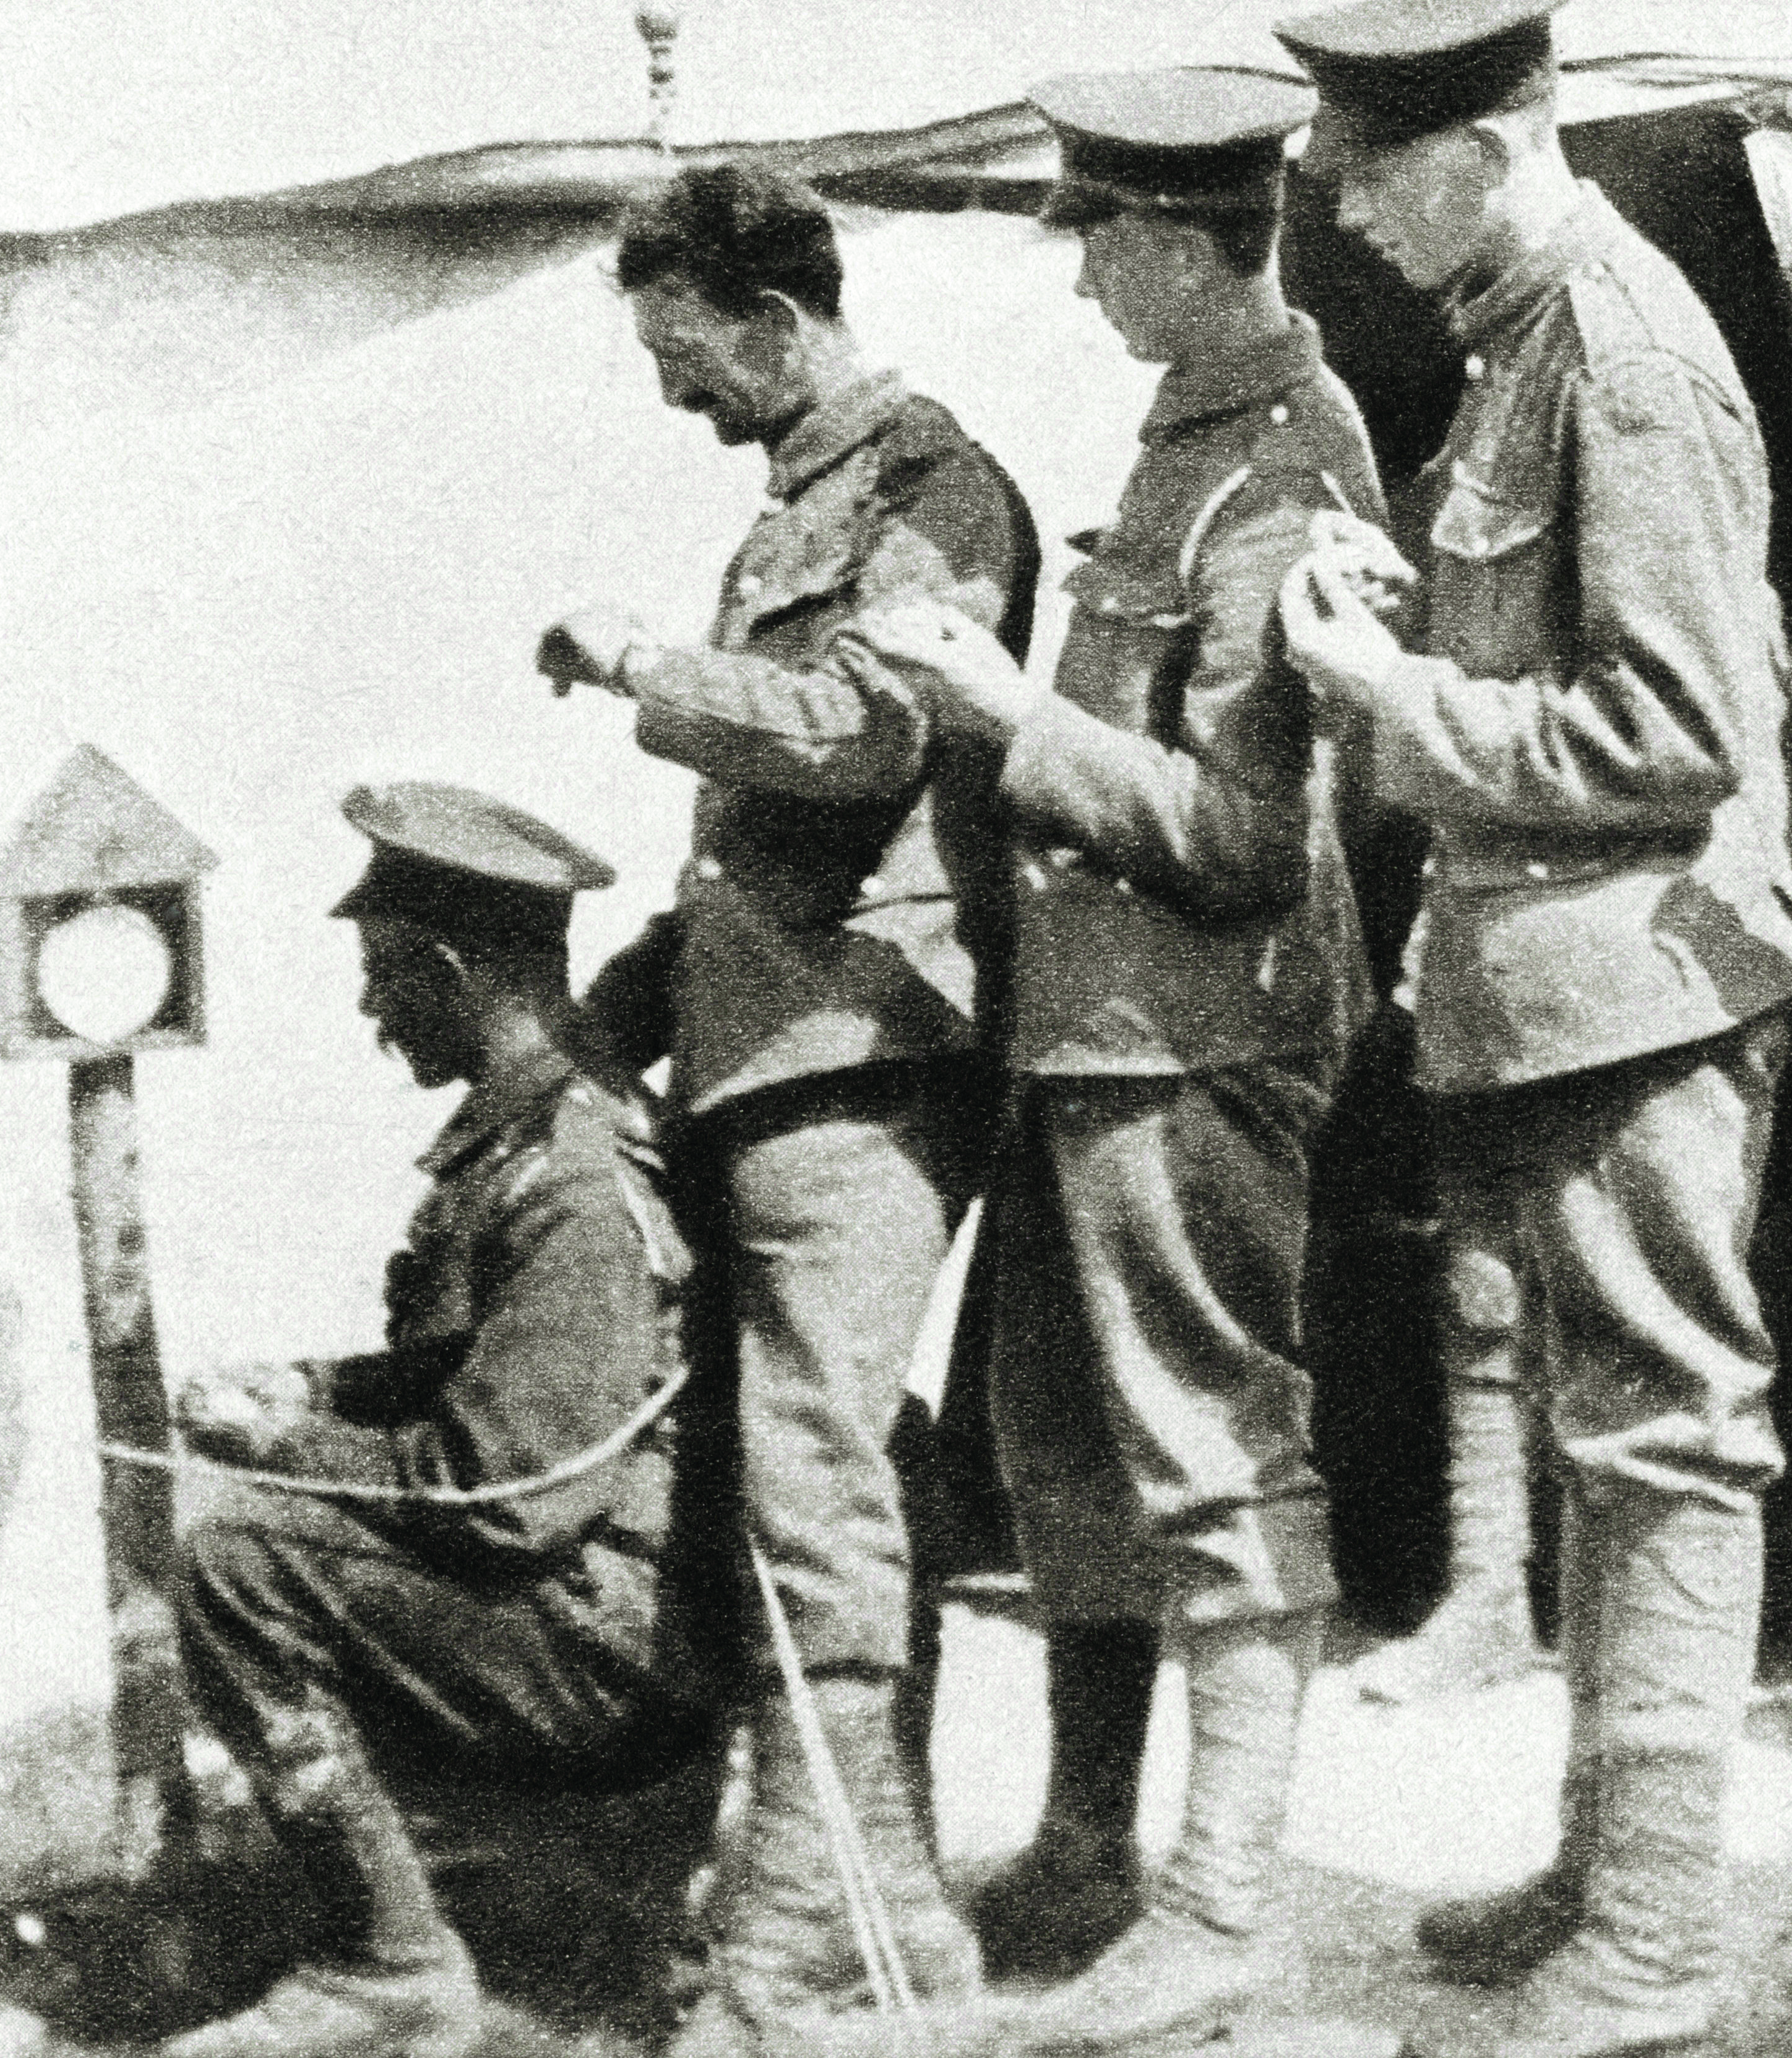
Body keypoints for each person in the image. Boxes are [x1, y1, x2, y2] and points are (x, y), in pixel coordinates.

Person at [1271, 0, 1792, 2049]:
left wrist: (1385, 706)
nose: (1338, 204)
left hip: (1641, 994)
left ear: (1484, 153)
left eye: (1367, 171)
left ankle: (1661, 1934)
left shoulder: (1625, 354)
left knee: (1662, 1445)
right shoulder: (1526, 340)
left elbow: (1671, 731)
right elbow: (1557, 646)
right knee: (1605, 1445)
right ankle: (1607, 1870)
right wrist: (1395, 615)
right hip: (1555, 991)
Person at [883, 64, 1377, 2044]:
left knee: (1210, 1456)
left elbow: (1251, 837)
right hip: (1092, 1049)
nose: (1080, 274)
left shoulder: (1287, 476)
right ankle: (1093, 1843)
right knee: (1070, 1452)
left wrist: (1006, 713)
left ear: (1183, 241)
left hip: (1192, 1048)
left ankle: (1223, 1902)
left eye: (1098, 235)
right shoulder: (1190, 449)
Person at [535, 161, 1040, 2044]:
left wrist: (646, 673)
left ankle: (784, 1947)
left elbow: (866, 736)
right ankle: (898, 1918)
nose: (676, 392)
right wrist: (632, 1002)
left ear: (773, 321)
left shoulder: (928, 489)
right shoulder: (809, 500)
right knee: (799, 1489)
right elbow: (763, 840)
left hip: (866, 1060)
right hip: (778, 1051)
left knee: (813, 1498)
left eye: (686, 353)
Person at [165, 782, 707, 2058]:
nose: (369, 1014)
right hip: (615, 1598)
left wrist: (285, 1447)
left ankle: (390, 1965)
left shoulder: (568, 1182)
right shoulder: (537, 1138)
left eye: (383, 979)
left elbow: (511, 1500)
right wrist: (317, 1390)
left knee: (235, 1567)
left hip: (617, 1641)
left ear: (456, 971)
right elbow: (478, 1368)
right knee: (273, 1529)